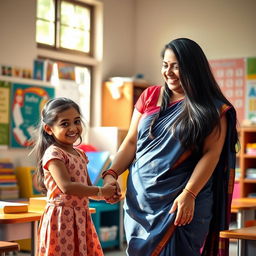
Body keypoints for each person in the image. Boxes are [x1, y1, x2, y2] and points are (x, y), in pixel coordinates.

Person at [102, 38, 238, 256]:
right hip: (141, 202)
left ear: (193, 68)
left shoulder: (211, 108)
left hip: (180, 203)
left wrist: (189, 194)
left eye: (177, 66)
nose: (169, 72)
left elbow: (211, 155)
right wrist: (111, 173)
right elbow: (130, 142)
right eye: (165, 65)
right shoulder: (150, 96)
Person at [32, 97, 116, 256]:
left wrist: (107, 194)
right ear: (49, 129)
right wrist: (101, 191)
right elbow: (67, 187)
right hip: (62, 218)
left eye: (76, 121)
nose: (73, 128)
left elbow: (88, 189)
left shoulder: (80, 154)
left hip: (81, 216)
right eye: (65, 124)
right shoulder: (54, 153)